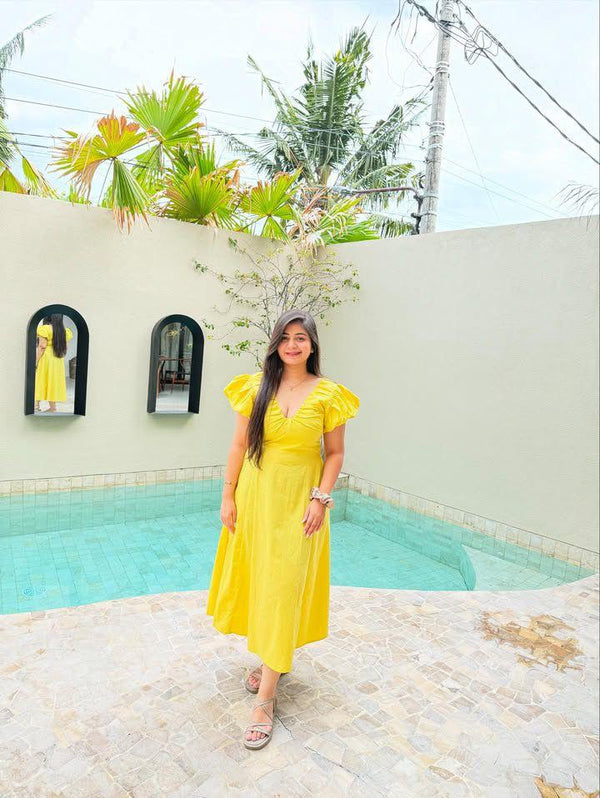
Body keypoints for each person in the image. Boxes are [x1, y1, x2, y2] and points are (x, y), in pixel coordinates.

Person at [206, 309, 360, 751]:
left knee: (285, 586)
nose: (293, 345)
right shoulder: (255, 388)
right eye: (286, 338)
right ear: (276, 344)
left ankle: (266, 699)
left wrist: (321, 498)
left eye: (301, 338)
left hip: (300, 503)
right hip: (257, 498)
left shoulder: (330, 394)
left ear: (313, 346)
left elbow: (334, 454)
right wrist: (228, 496)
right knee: (264, 583)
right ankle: (275, 657)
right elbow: (239, 445)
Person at [34, 314, 74, 413]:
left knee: (40, 380)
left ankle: (36, 406)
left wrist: (36, 361)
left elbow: (42, 346)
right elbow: (66, 347)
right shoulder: (64, 330)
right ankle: (52, 408)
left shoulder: (45, 329)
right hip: (58, 359)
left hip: (46, 358)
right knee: (53, 382)